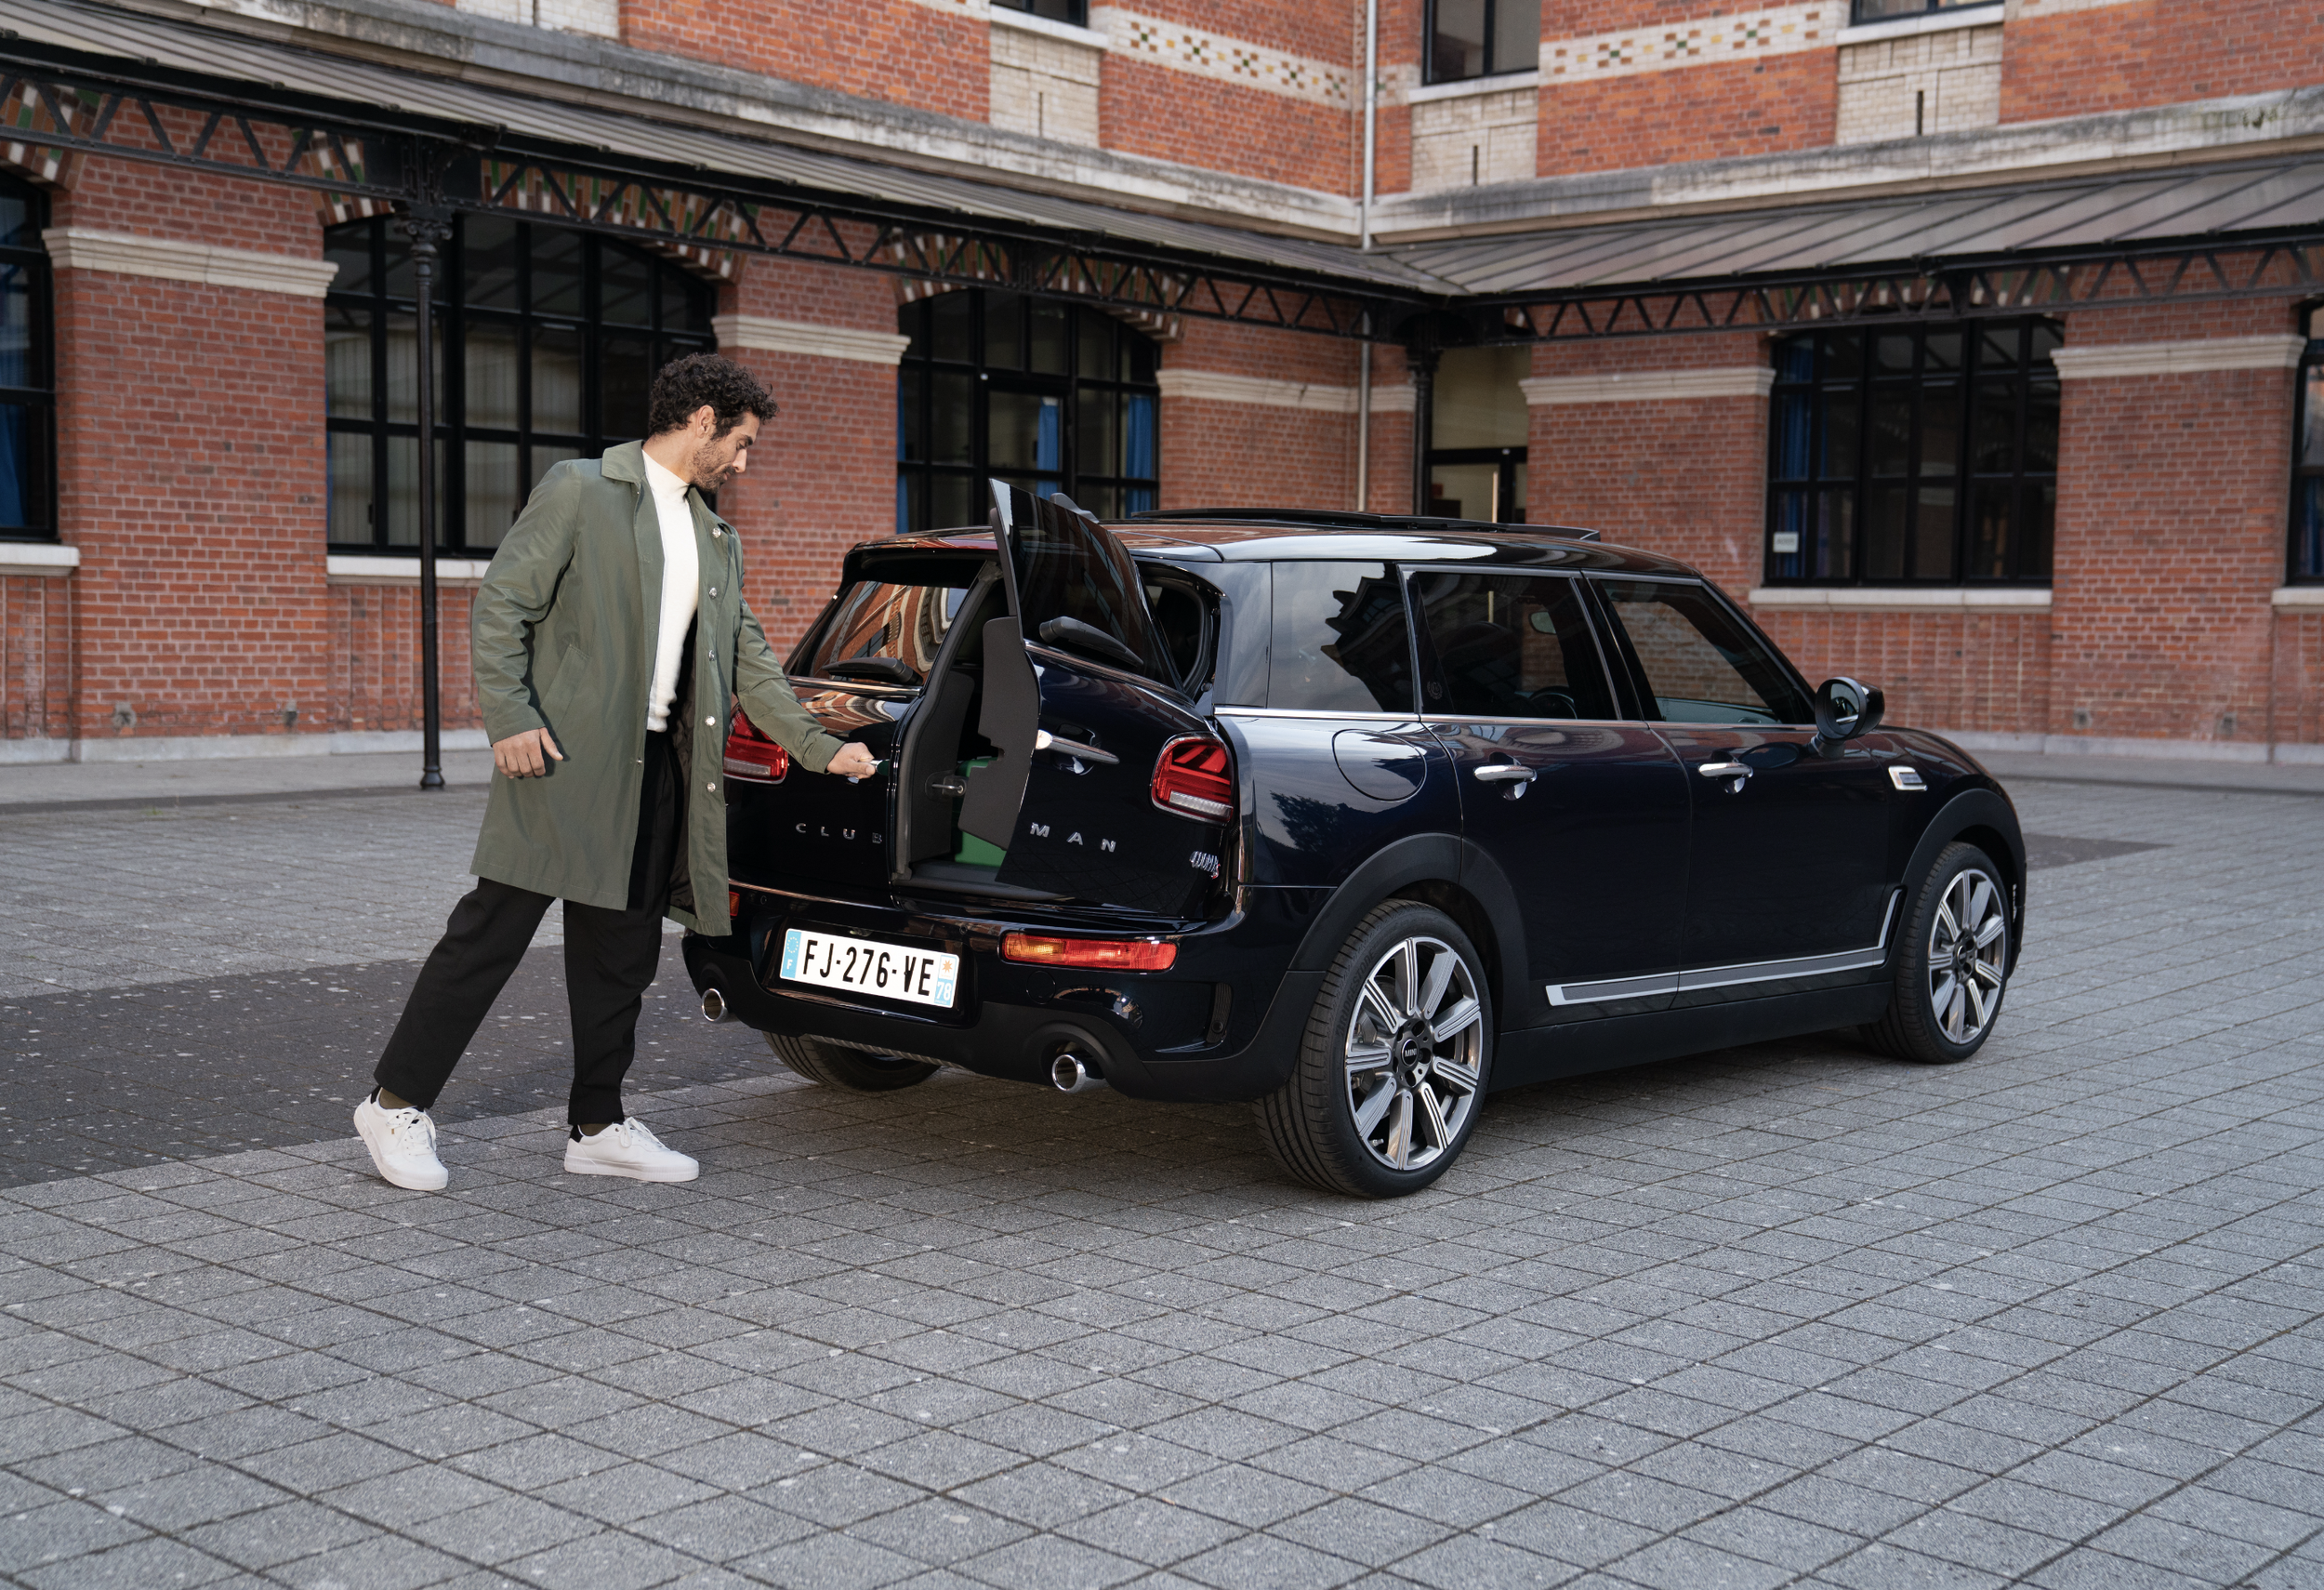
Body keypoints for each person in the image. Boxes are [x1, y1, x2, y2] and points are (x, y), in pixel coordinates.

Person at [353, 353, 877, 1191]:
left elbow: (751, 661)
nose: (743, 464)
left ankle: (596, 1122)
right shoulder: (580, 491)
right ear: (702, 419)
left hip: (660, 769)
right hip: (564, 760)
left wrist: (821, 746)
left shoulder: (714, 536)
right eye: (740, 444)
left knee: (620, 956)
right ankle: (393, 1103)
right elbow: (503, 606)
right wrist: (512, 717)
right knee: (489, 935)